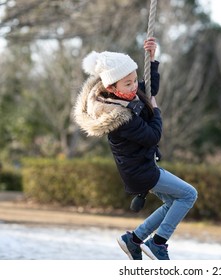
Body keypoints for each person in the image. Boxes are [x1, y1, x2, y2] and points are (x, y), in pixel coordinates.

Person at [73, 38, 197, 260]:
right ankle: (158, 243)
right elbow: (152, 136)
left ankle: (135, 239)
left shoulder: (126, 95)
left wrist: (152, 58)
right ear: (112, 87)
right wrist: (157, 112)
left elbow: (150, 88)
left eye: (134, 80)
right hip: (140, 172)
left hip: (143, 167)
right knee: (189, 194)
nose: (134, 87)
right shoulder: (117, 116)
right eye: (128, 84)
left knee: (173, 201)